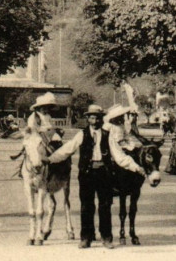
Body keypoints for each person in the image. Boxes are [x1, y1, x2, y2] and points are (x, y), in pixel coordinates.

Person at [46, 104, 146, 249]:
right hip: (86, 174)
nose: (95, 121)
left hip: (104, 173)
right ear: (88, 119)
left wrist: (136, 167)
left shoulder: (107, 135)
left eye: (97, 118)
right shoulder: (81, 135)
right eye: (92, 118)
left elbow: (119, 156)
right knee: (86, 206)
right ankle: (86, 238)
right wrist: (50, 159)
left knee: (105, 206)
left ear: (101, 119)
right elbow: (67, 149)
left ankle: (106, 238)